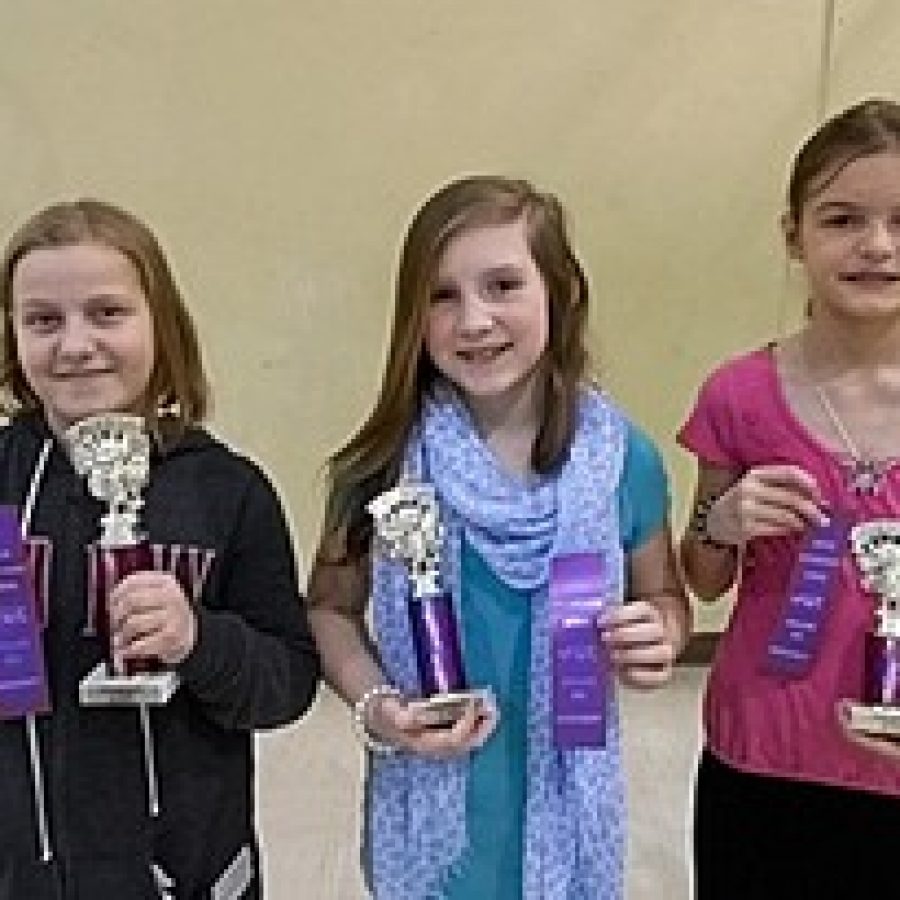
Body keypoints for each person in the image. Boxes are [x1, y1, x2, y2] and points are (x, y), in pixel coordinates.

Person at [308, 175, 689, 899]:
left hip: (568, 809)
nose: (474, 320)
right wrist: (375, 707)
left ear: (561, 295)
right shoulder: (380, 464)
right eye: (442, 295)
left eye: (503, 285)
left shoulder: (623, 459)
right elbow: (328, 607)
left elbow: (664, 594)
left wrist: (661, 635)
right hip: (433, 813)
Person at [0, 199, 319, 898]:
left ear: (161, 325)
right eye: (42, 320)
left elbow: (289, 683)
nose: (75, 343)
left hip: (186, 874)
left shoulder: (227, 491)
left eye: (107, 313)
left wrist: (198, 639)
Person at [679, 98, 900, 899]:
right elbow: (701, 573)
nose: (876, 245)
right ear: (793, 235)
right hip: (762, 757)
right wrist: (724, 520)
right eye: (843, 219)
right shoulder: (739, 395)